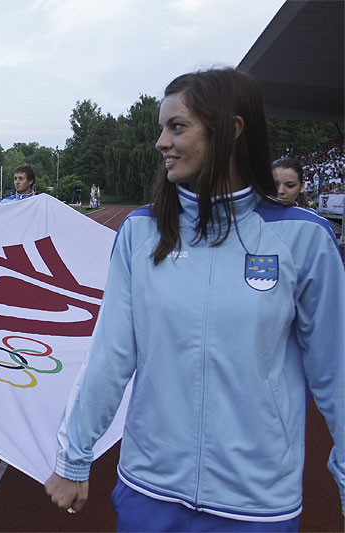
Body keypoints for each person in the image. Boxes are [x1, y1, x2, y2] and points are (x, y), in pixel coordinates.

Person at [45, 68, 344, 531]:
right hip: (150, 489)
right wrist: (74, 456)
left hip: (256, 502)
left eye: (177, 127)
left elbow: (336, 372)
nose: (161, 142)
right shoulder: (141, 232)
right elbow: (110, 355)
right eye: (161, 129)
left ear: (232, 129)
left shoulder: (303, 237)